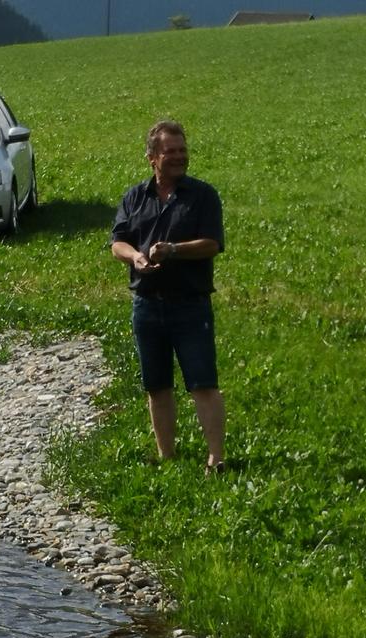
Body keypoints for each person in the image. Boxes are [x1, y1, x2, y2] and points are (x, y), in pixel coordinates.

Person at [110, 119, 226, 473]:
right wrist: (136, 256)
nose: (179, 157)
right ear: (152, 158)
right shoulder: (135, 196)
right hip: (146, 305)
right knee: (156, 386)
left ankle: (216, 458)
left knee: (202, 383)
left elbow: (212, 244)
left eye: (182, 150)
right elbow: (118, 242)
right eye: (170, 151)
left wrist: (173, 249)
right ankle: (166, 456)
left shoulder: (203, 196)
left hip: (190, 304)